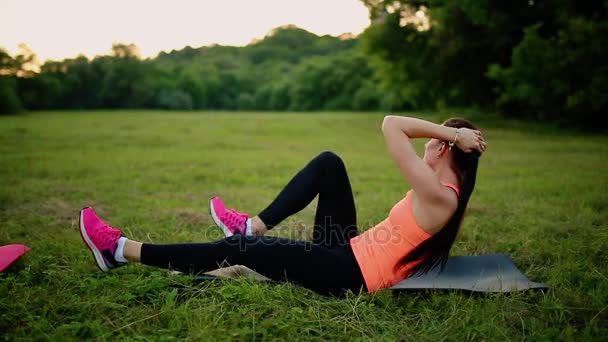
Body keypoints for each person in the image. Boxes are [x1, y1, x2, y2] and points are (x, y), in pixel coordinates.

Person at [79, 116, 486, 297]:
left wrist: (450, 132)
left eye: (440, 135)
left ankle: (119, 251)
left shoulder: (440, 195)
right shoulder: (441, 188)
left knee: (240, 253)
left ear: (448, 146)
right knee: (330, 163)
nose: (430, 138)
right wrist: (455, 136)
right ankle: (253, 226)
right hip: (348, 251)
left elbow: (391, 124)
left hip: (348, 276)